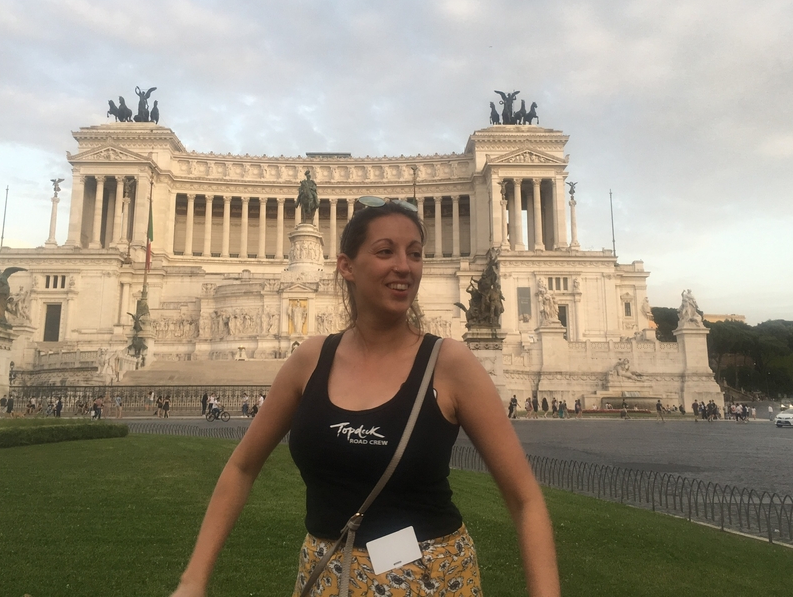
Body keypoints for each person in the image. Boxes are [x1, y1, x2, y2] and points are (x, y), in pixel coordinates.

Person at [169, 199, 560, 597]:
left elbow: (524, 497)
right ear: (346, 266)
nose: (404, 266)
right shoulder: (310, 359)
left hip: (431, 580)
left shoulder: (451, 363)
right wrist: (194, 579)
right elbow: (241, 468)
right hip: (325, 577)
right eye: (385, 251)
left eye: (415, 254)